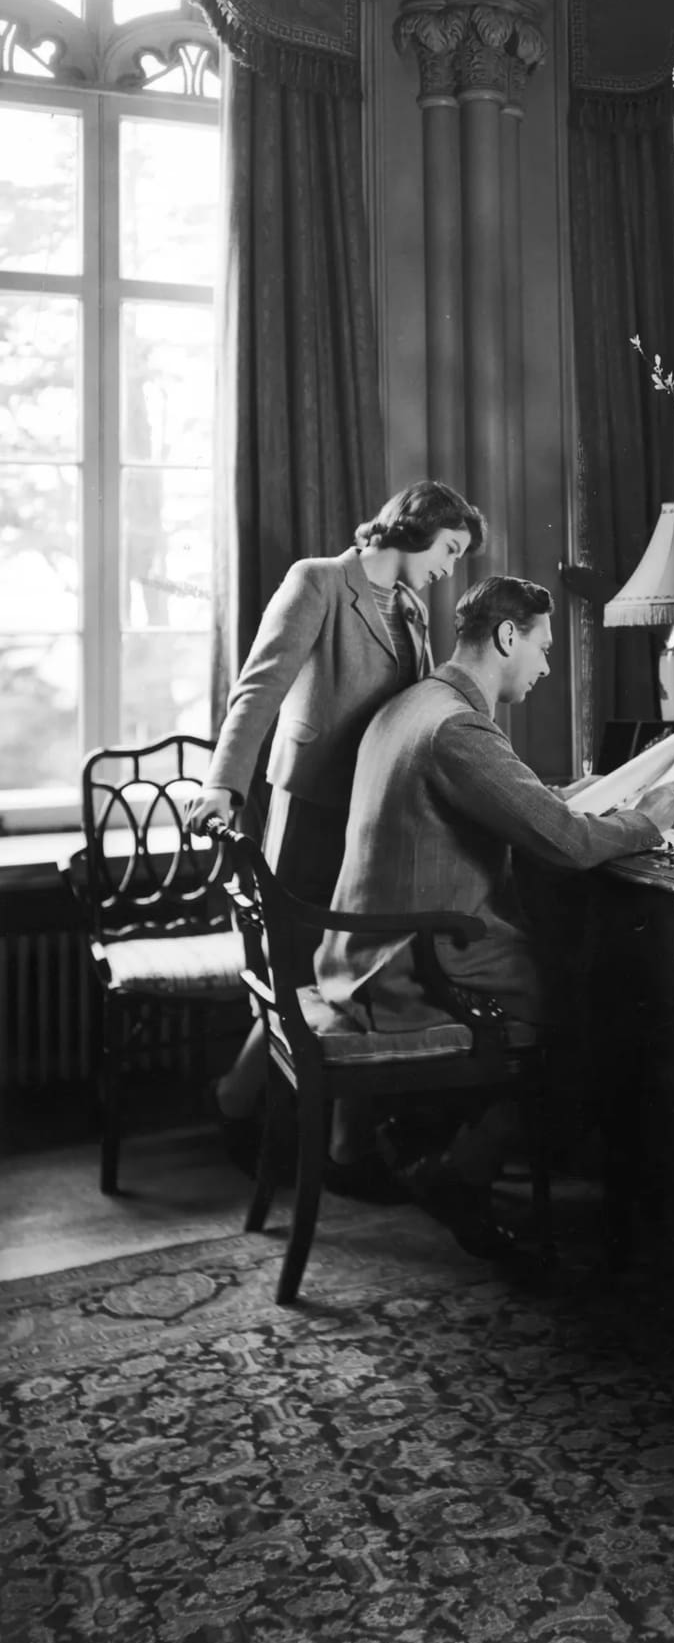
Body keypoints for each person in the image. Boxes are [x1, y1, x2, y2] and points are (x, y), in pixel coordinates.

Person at [314, 574, 674, 1255]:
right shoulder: (458, 727)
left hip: (367, 947)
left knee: (585, 980)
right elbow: (566, 844)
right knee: (594, 1010)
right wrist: (645, 823)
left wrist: (569, 795)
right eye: (543, 648)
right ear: (508, 636)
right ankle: (464, 1171)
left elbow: (508, 801)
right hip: (412, 961)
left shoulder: (419, 703)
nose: (546, 666)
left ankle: (444, 1143)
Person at [186, 480, 486, 1172]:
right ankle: (244, 1105)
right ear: (415, 528)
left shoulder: (411, 608)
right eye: (449, 548)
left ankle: (339, 1145)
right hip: (310, 811)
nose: (450, 567)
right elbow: (258, 688)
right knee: (299, 974)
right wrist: (223, 784)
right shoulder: (318, 581)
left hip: (374, 815)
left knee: (356, 975)